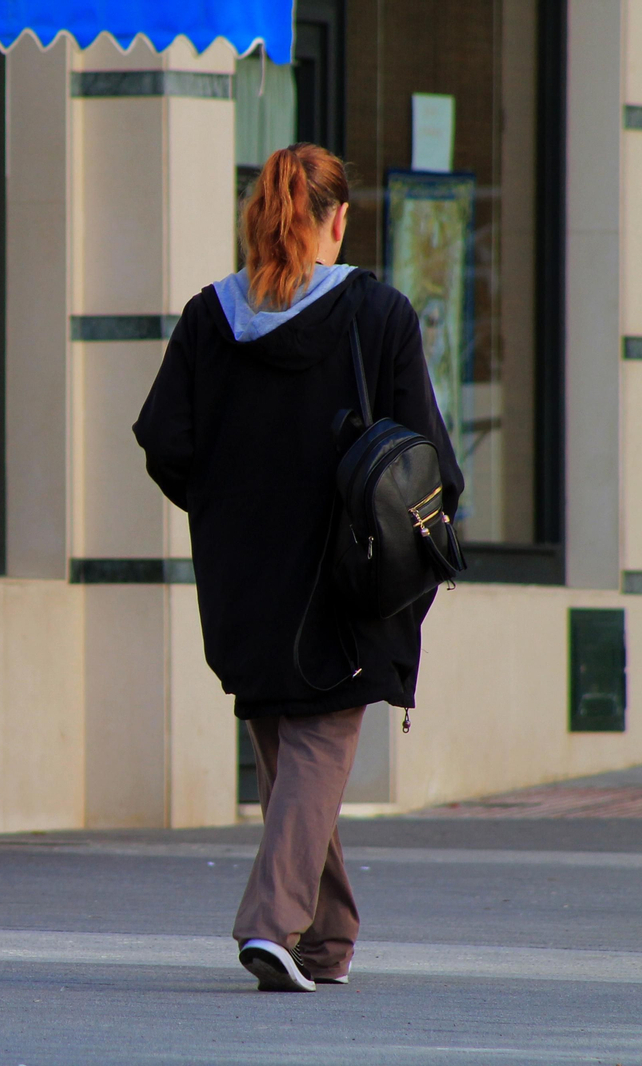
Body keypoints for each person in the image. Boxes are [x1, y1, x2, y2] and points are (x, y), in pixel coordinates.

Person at [133, 144, 463, 991]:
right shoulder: (378, 313)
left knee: (292, 755)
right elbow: (422, 453)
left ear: (260, 217)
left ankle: (326, 939)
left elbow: (165, 440)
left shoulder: (211, 315)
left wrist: (227, 507)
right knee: (311, 752)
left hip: (243, 571)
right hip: (344, 570)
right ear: (339, 219)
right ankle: (272, 925)